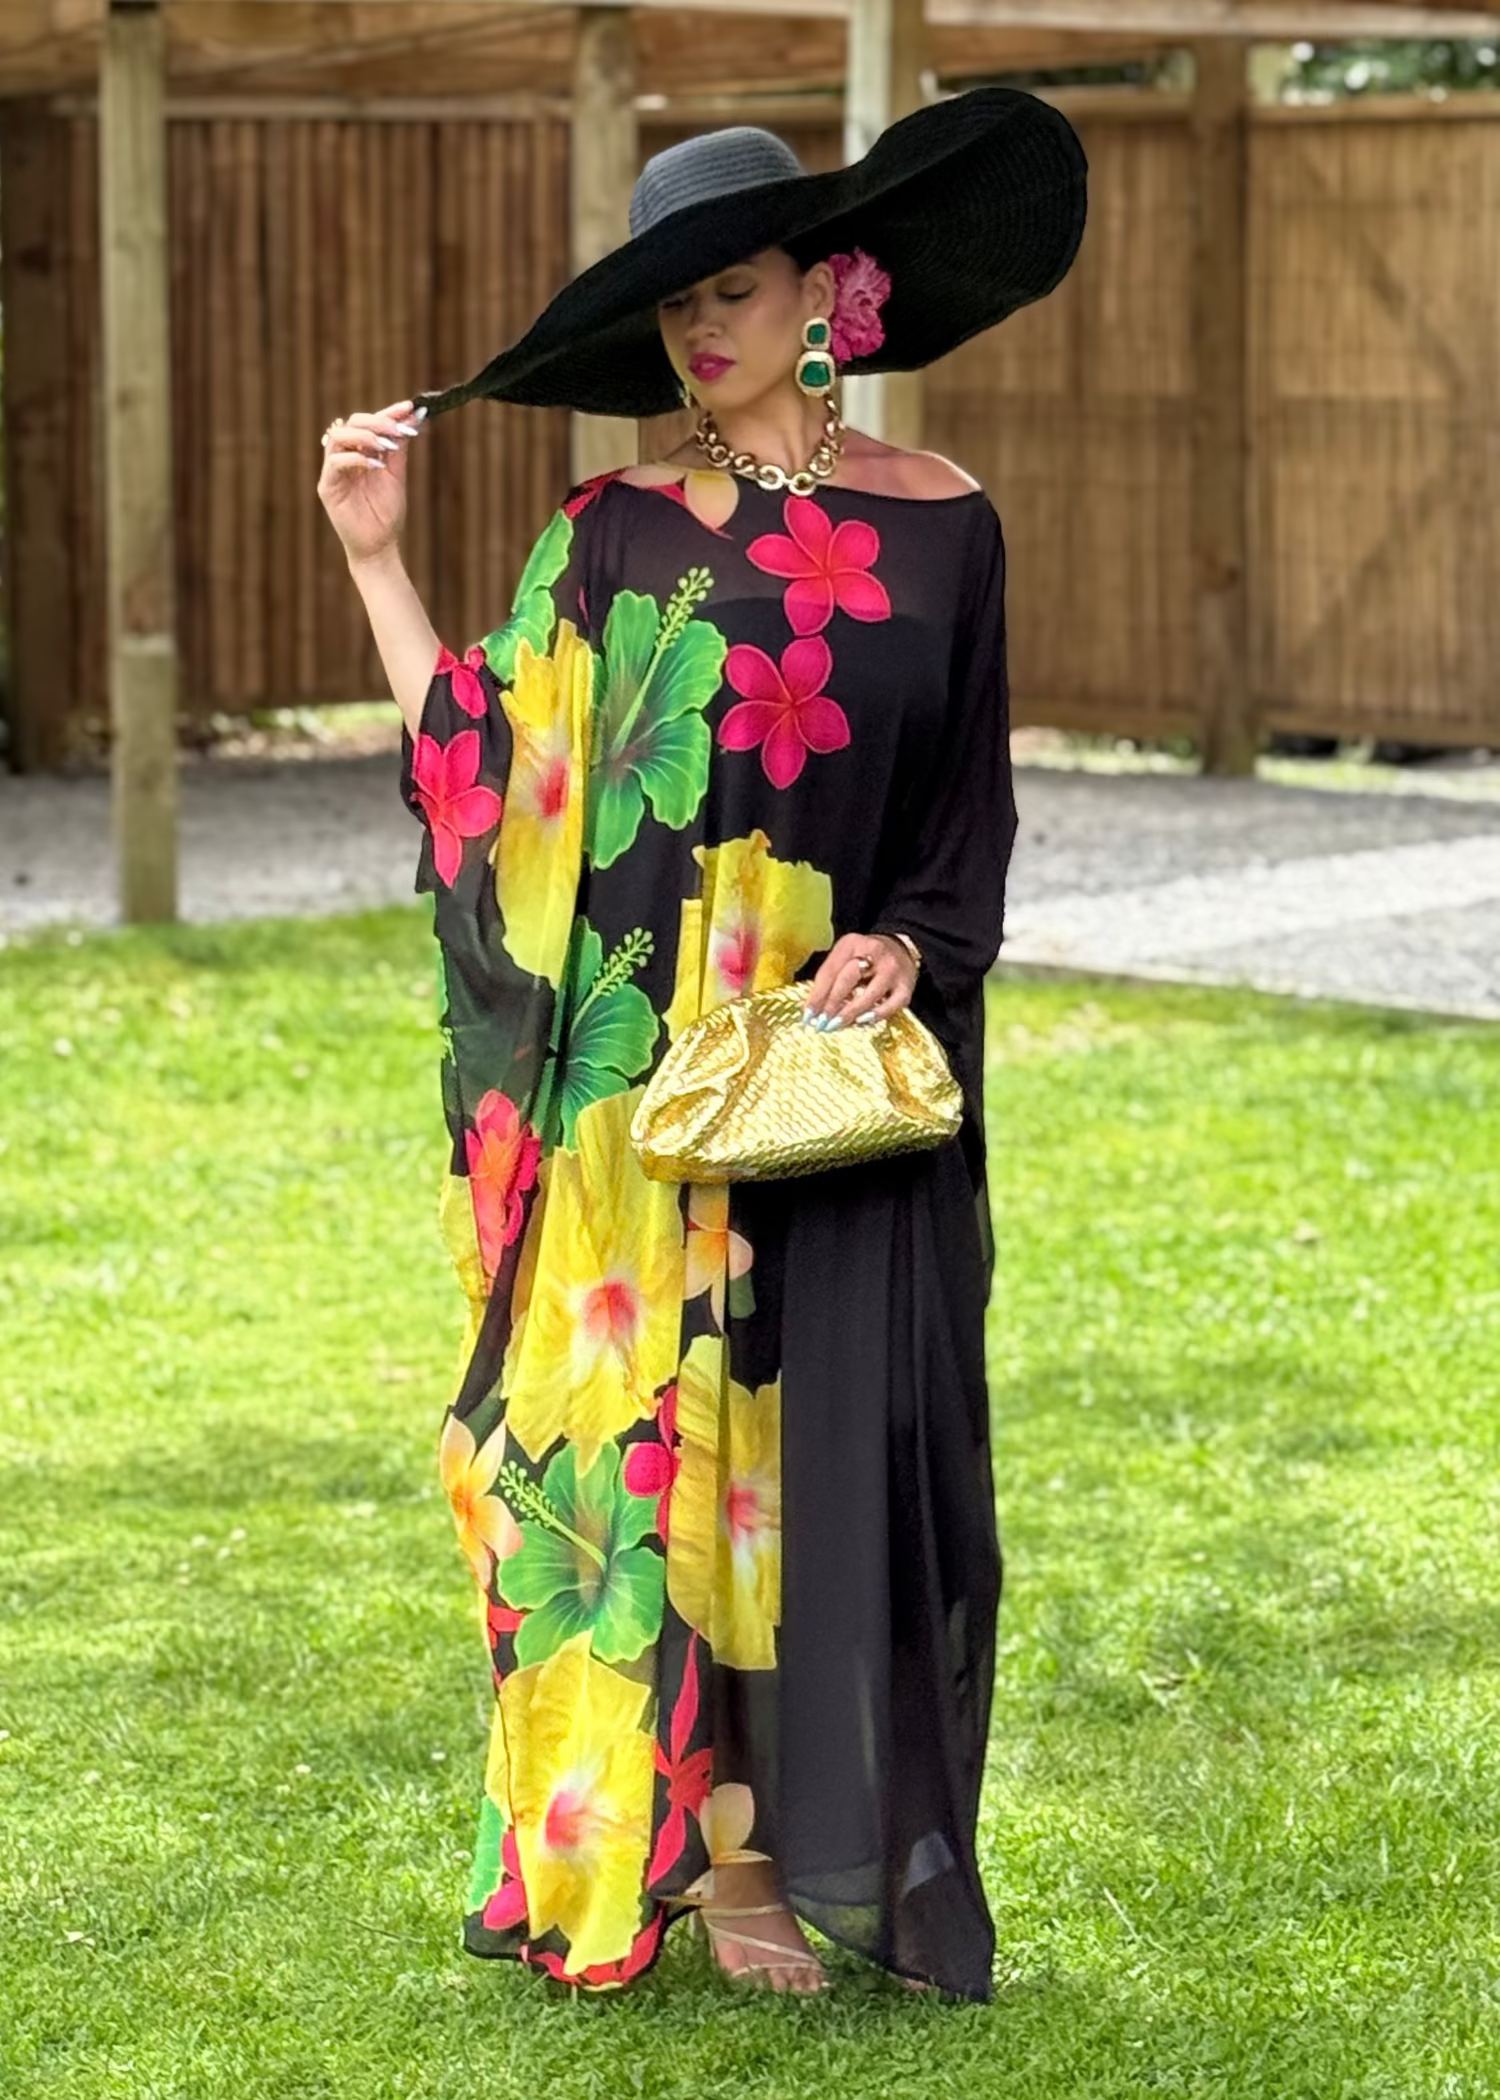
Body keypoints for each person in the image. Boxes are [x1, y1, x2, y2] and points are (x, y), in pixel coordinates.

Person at [317, 87, 1086, 2001]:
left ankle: (843, 1840)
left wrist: (914, 944)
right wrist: (376, 559)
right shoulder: (614, 533)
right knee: (677, 1461)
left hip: (845, 1076)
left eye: (729, 290)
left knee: (838, 1461)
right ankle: (726, 1867)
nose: (700, 332)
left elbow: (969, 818)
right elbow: (488, 775)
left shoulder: (947, 523)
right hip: (645, 1094)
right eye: (674, 307)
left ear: (824, 289)